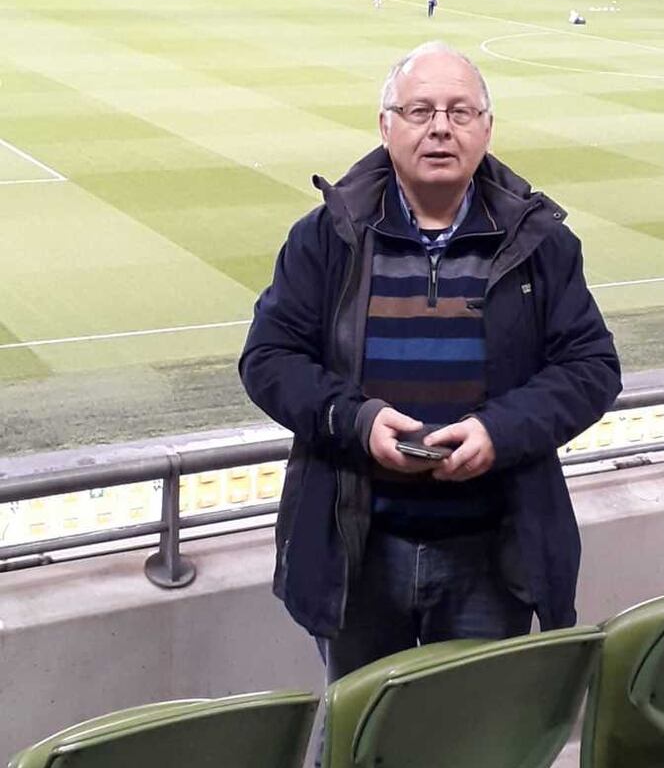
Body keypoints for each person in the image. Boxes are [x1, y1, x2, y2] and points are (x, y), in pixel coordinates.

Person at [239, 43, 621, 677]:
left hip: (492, 553)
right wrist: (356, 421)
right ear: (386, 127)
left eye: (460, 111)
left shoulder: (543, 243)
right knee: (359, 742)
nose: (440, 127)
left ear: (487, 129)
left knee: (472, 743)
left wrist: (500, 433)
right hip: (357, 551)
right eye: (419, 110)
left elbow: (591, 367)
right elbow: (268, 358)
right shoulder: (325, 237)